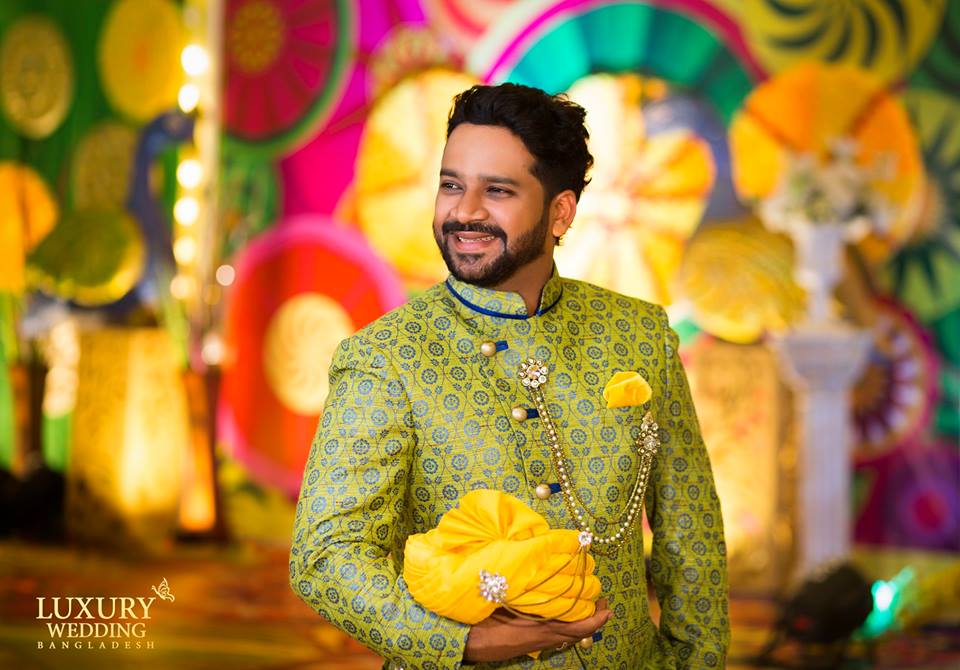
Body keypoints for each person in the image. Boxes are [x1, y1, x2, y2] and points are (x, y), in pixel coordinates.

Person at [290, 83, 729, 669]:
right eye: (451, 185)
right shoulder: (387, 358)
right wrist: (464, 644)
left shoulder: (638, 335)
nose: (465, 211)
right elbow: (325, 554)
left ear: (560, 212)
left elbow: (691, 535)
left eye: (497, 190)